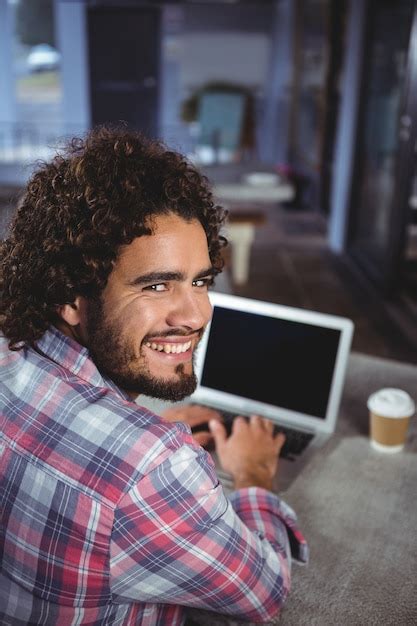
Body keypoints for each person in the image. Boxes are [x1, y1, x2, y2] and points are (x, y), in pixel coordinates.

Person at [0, 125, 308, 625]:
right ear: (70, 298)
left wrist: (131, 426)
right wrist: (253, 475)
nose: (195, 315)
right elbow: (265, 594)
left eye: (201, 281)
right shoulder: (154, 467)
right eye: (158, 285)